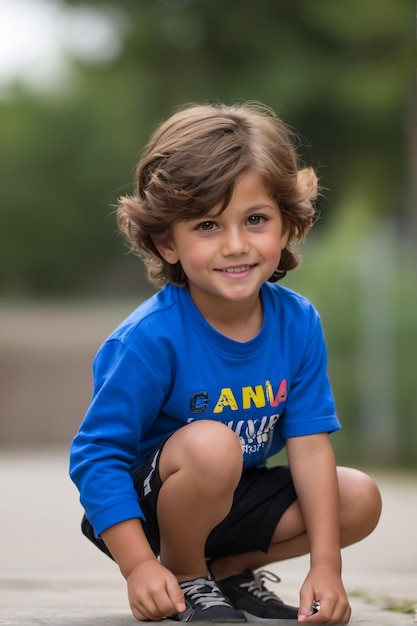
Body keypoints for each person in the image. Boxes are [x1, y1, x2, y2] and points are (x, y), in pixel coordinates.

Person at [69, 102, 382, 624]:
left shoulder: (297, 322)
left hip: (232, 497)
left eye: (255, 219)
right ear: (167, 241)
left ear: (286, 227)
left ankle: (227, 573)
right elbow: (97, 457)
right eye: (208, 225)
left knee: (359, 496)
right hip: (144, 513)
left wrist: (327, 567)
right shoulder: (149, 339)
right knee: (214, 445)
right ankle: (184, 575)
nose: (236, 245)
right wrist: (138, 566)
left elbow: (308, 448)